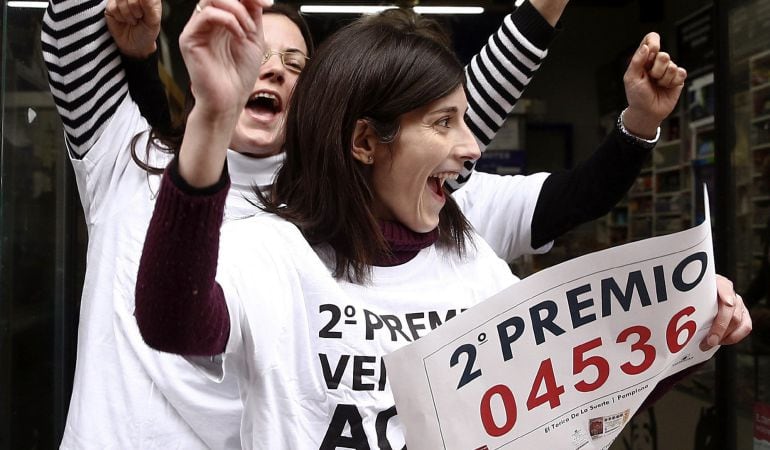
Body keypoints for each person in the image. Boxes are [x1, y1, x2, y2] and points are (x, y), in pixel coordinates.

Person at [134, 1, 751, 448]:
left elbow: (571, 405)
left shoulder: (474, 268)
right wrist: (213, 117)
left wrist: (686, 337)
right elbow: (170, 321)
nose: (471, 145)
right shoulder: (272, 255)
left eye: (465, 120)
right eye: (443, 123)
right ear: (364, 142)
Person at [42, 0, 580, 447]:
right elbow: (171, 319)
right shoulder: (133, 161)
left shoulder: (321, 216)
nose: (273, 68)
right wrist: (209, 111)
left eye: (297, 64)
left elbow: (430, 116)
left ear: (327, 109)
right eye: (251, 51)